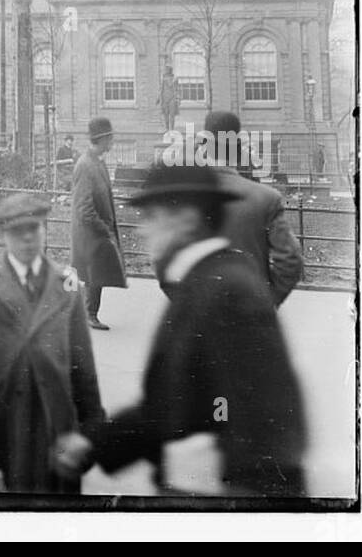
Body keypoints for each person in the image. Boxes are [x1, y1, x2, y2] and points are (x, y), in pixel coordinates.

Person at [64, 162, 307, 498]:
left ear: (188, 218)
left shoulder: (224, 291)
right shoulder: (203, 281)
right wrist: (92, 446)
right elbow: (169, 405)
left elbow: (256, 420)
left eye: (153, 216)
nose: (143, 230)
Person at [0, 192, 105, 494]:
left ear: (44, 229)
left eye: (35, 229)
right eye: (18, 232)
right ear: (2, 236)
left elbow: (82, 366)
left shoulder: (67, 286)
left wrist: (91, 428)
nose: (28, 238)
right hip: (1, 426)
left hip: (57, 426)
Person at [202, 111, 303, 307]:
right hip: (253, 311)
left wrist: (186, 304)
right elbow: (291, 258)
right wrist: (268, 302)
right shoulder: (267, 198)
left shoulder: (184, 198)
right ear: (237, 151)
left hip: (199, 316)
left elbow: (164, 259)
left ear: (205, 149)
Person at [71, 117, 127, 330]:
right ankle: (88, 314)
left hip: (96, 231)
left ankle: (87, 313)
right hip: (91, 232)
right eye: (111, 138)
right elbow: (84, 207)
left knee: (96, 273)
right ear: (103, 139)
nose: (113, 143)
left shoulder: (97, 162)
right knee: (94, 273)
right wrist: (103, 229)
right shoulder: (86, 165)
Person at [157, 61, 180, 131]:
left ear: (170, 70)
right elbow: (161, 89)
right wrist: (158, 98)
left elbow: (176, 89)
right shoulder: (163, 79)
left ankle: (172, 130)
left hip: (172, 99)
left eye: (167, 69)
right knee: (166, 115)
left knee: (172, 115)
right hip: (165, 99)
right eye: (166, 69)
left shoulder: (175, 79)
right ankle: (167, 129)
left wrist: (178, 98)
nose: (166, 70)